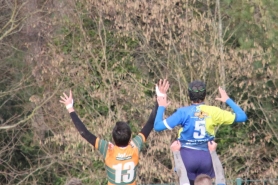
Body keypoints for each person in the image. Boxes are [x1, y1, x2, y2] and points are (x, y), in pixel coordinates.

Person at [59, 81, 168, 185]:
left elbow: (84, 132)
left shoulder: (108, 150)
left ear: (113, 138)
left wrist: (70, 107)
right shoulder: (135, 146)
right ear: (130, 138)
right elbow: (150, 123)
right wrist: (160, 96)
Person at [154, 79, 247, 185]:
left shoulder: (183, 112)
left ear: (189, 95)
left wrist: (161, 106)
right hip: (206, 158)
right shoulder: (214, 111)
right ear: (205, 95)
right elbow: (242, 117)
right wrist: (227, 99)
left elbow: (157, 126)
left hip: (187, 158)